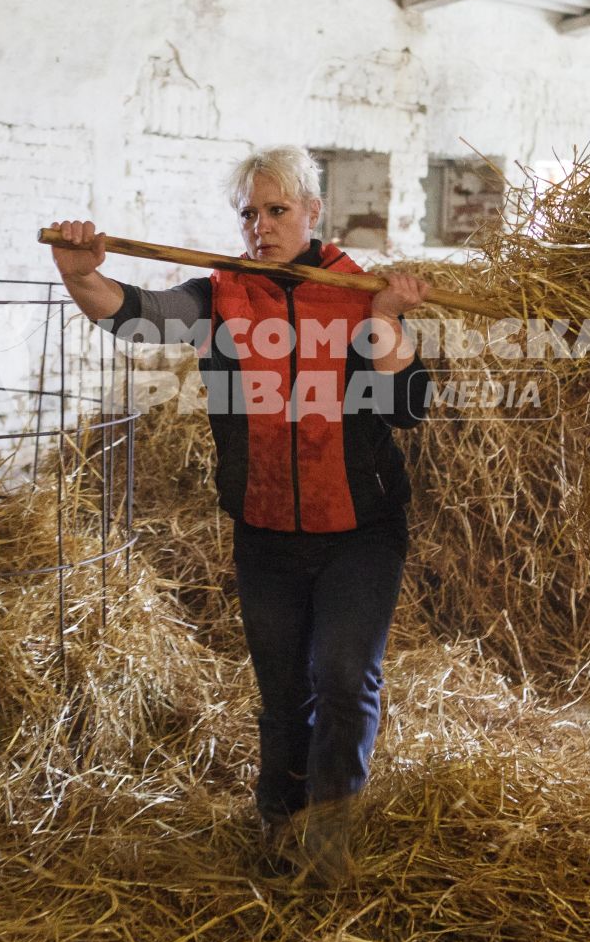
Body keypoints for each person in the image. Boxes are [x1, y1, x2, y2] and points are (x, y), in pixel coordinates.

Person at [49, 145, 432, 884]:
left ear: (313, 213)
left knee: (346, 674)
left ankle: (329, 833)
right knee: (284, 692)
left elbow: (410, 408)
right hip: (266, 530)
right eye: (249, 214)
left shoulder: (360, 296)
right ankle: (277, 824)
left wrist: (385, 319)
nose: (261, 226)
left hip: (360, 530)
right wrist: (79, 274)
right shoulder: (220, 297)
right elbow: (135, 318)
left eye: (277, 210)